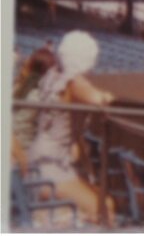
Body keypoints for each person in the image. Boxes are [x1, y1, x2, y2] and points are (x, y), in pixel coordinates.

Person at [27, 30, 115, 225]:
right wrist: (107, 97)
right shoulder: (73, 81)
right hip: (50, 167)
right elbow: (99, 99)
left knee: (93, 208)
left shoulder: (52, 74)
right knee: (105, 207)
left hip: (43, 159)